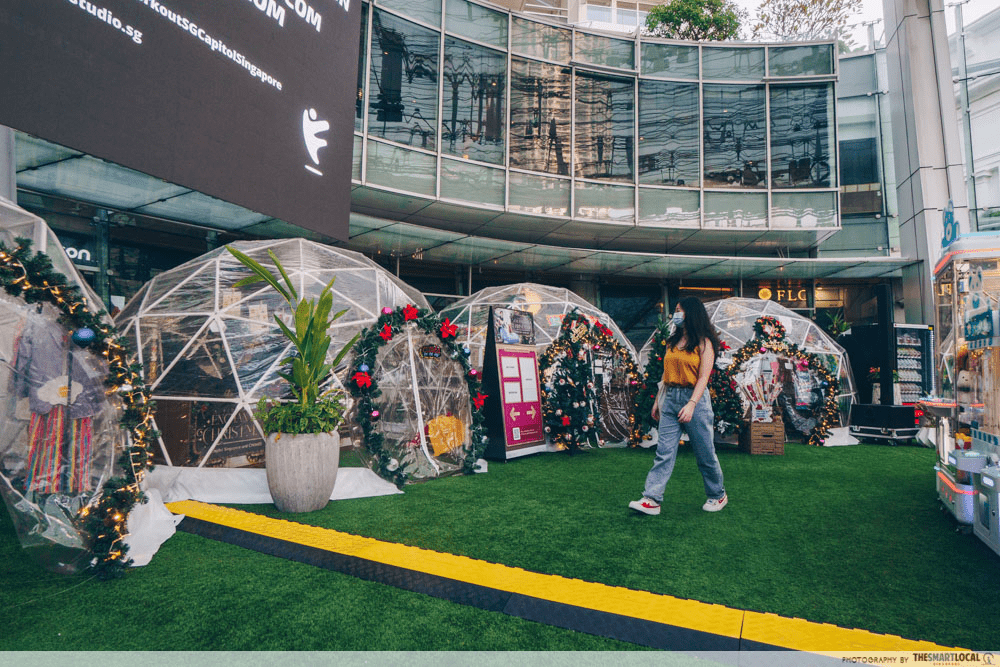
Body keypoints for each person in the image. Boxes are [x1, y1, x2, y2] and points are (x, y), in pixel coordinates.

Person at [629, 296, 727, 515]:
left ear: (691, 313)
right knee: (663, 452)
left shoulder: (704, 343)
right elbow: (666, 374)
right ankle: (652, 499)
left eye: (679, 310)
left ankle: (717, 494)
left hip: (695, 399)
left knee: (705, 453)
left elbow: (703, 377)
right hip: (670, 397)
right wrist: (658, 400)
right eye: (676, 310)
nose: (675, 315)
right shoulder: (672, 342)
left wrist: (691, 404)